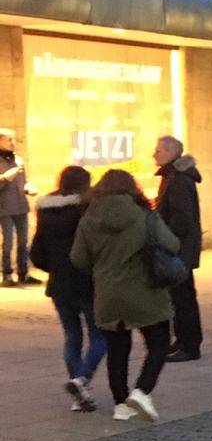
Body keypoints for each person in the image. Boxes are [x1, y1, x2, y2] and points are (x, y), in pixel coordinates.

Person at [70, 170, 179, 422]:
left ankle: (121, 405)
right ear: (132, 188)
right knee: (159, 342)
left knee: (118, 350)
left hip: (108, 294)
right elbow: (172, 244)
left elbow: (78, 258)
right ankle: (142, 390)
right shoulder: (144, 215)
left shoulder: (88, 219)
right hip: (145, 292)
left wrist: (103, 267)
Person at [29, 166, 103, 411]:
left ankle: (79, 395)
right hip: (87, 282)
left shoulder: (46, 211)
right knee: (100, 335)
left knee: (72, 337)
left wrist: (56, 268)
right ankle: (81, 380)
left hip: (60, 284)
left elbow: (36, 253)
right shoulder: (87, 210)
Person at [154, 135, 204, 362]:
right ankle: (183, 339)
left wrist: (167, 240)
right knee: (178, 296)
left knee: (183, 297)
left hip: (179, 249)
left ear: (171, 153)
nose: (154, 154)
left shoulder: (178, 179)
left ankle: (190, 345)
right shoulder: (172, 176)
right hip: (179, 247)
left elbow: (182, 218)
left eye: (159, 151)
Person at [0, 128, 36, 287]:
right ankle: (7, 275)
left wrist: (28, 188)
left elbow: (23, 181)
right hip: (4, 208)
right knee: (8, 242)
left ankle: (23, 273)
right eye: (9, 140)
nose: (13, 143)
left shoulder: (18, 160)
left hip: (21, 206)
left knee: (24, 242)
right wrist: (4, 178)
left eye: (14, 140)